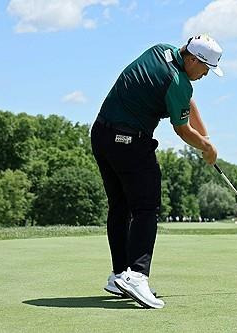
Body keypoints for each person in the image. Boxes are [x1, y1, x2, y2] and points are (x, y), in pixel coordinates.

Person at [91, 34, 223, 309]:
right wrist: (205, 146)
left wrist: (207, 140)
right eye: (205, 68)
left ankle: (119, 276)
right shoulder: (177, 82)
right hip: (128, 141)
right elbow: (182, 129)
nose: (205, 75)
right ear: (192, 59)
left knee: (120, 206)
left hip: (101, 135)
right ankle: (137, 276)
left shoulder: (161, 50)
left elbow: (188, 101)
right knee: (146, 207)